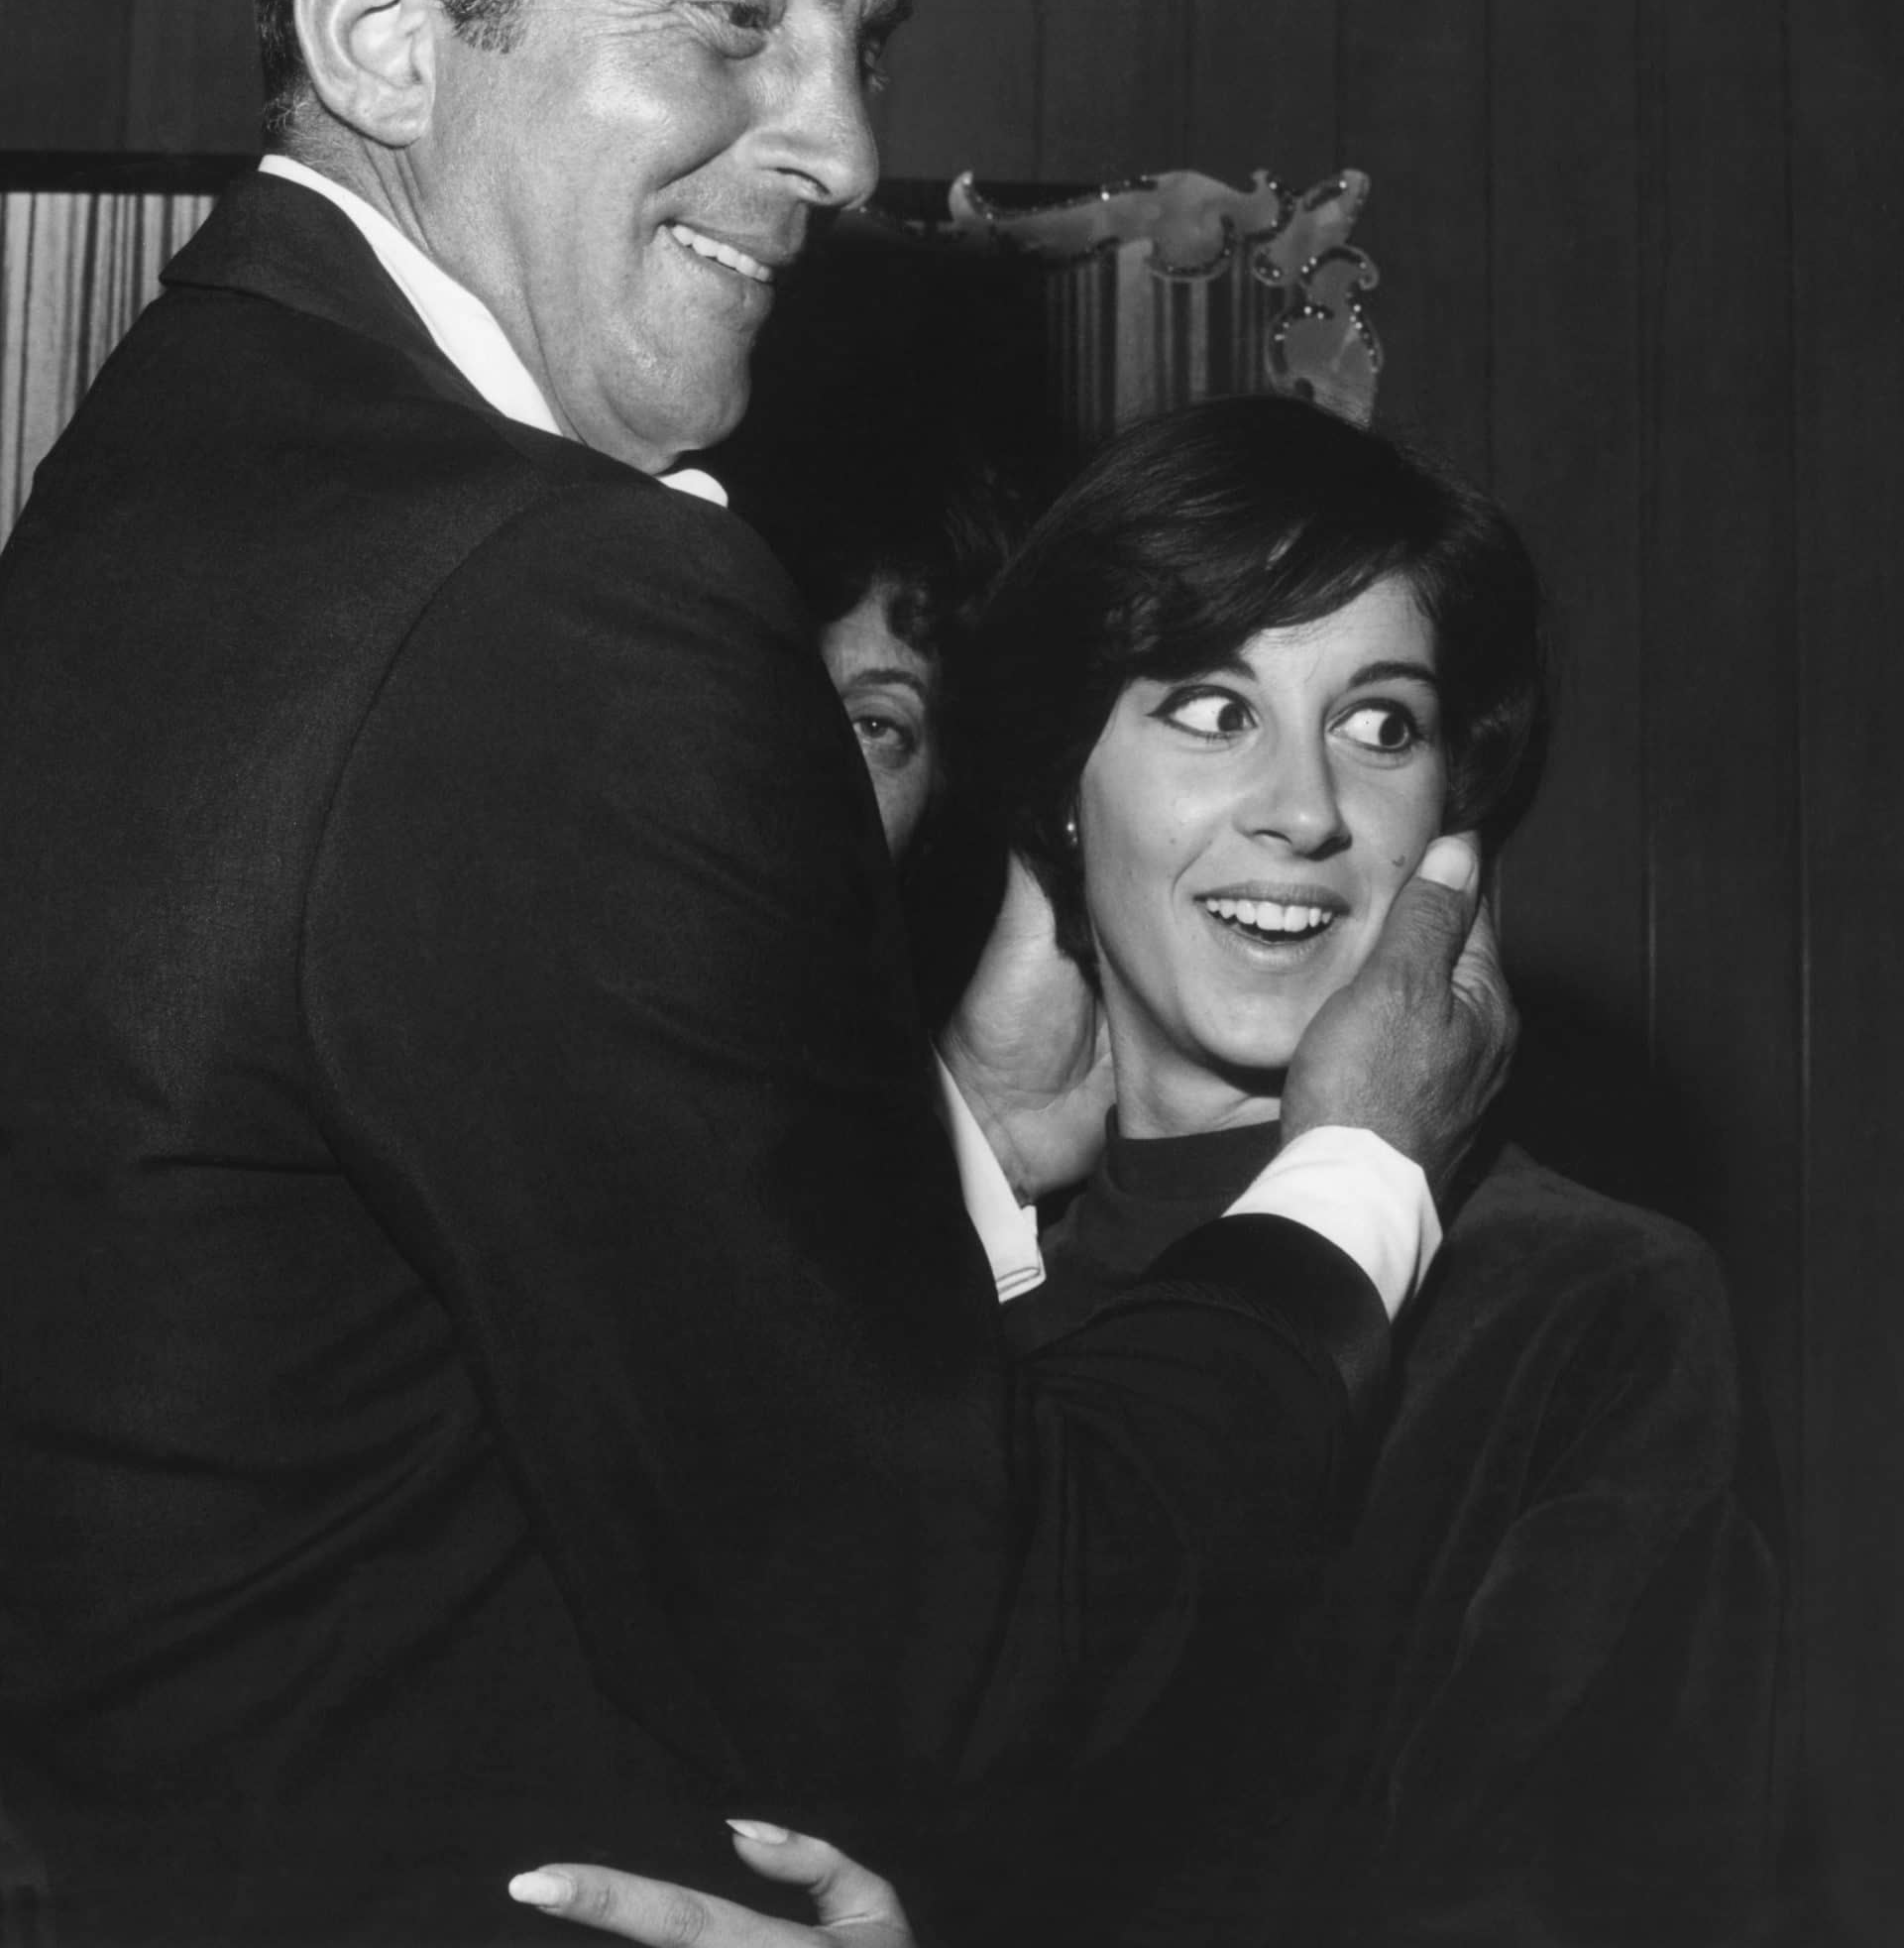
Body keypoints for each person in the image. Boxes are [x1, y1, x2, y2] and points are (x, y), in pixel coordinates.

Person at [0, 0, 1511, 1948]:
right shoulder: (564, 596)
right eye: (731, 20)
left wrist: (930, 1145)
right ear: (380, 33)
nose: (840, 150)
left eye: (864, 43)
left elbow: (427, 1379)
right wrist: (1362, 1165)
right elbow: (933, 1655)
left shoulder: (158, 479)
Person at [511, 398, 1775, 1947]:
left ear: (1450, 823)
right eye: (1209, 708)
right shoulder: (930, 1282)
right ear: (1059, 783)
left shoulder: (1587, 1309)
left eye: (1380, 725)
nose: (1304, 810)